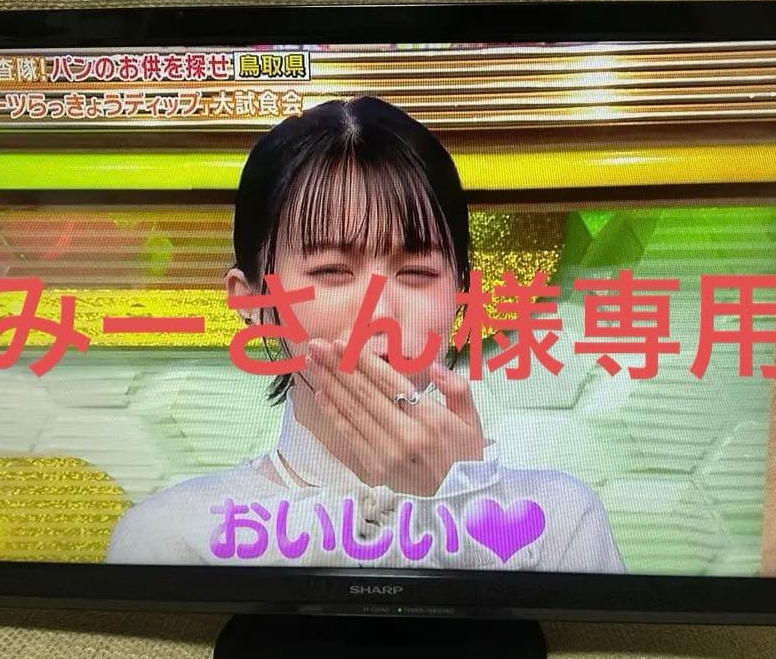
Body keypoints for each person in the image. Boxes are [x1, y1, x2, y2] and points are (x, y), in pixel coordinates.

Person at [105, 95, 625, 573]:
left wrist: (461, 501)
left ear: (462, 296)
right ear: (251, 301)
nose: (378, 313)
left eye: (417, 273)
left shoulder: (560, 523)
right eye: (332, 271)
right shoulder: (174, 539)